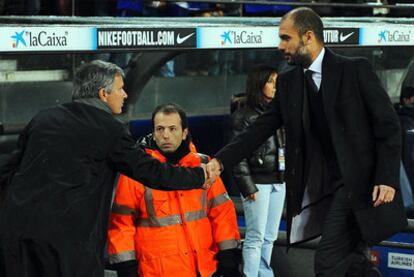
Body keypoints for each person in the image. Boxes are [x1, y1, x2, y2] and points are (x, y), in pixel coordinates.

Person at [207, 7, 407, 277]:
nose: (280, 46)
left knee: (327, 263)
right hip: (321, 188)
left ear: (308, 36)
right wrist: (220, 161)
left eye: (286, 38)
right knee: (354, 264)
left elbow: (389, 126)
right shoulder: (289, 83)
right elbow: (260, 129)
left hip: (361, 186)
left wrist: (387, 178)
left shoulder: (355, 70)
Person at [0, 60, 215, 277]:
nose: (125, 95)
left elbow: (8, 171)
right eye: (121, 89)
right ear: (103, 94)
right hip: (67, 246)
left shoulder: (43, 118)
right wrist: (199, 175)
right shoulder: (109, 129)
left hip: (17, 235)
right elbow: (153, 172)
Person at [107, 103, 241, 277]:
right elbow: (121, 224)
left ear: (184, 132)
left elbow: (222, 215)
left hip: (204, 269)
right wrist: (127, 269)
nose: (166, 135)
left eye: (172, 129)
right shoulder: (136, 172)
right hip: (157, 271)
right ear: (154, 133)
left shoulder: (205, 166)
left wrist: (229, 259)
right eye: (160, 129)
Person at [230, 64, 285, 277]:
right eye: (270, 82)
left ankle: (264, 273)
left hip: (279, 181)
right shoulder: (243, 116)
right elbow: (237, 156)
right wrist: (248, 187)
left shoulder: (279, 111)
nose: (274, 86)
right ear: (258, 83)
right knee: (255, 237)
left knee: (270, 236)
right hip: (257, 184)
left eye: (276, 82)